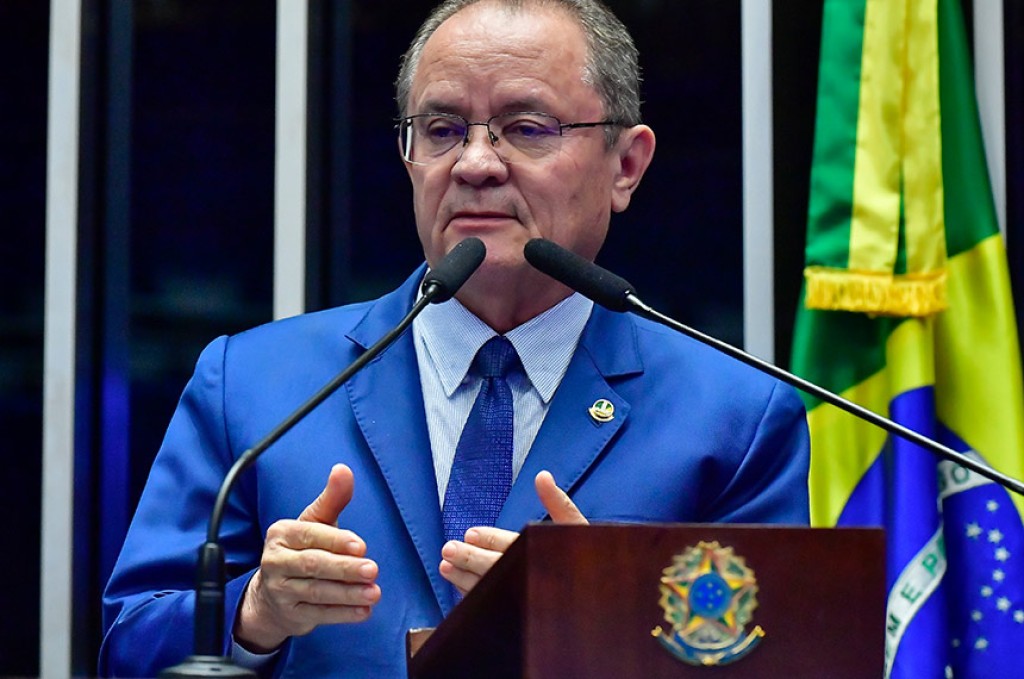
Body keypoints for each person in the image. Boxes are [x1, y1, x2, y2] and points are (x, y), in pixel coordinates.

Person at [100, 0, 810, 676]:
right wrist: (254, 613)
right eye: (441, 130)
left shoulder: (734, 420)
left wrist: (607, 628)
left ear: (625, 165)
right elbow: (129, 647)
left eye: (526, 127)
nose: (474, 164)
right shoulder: (254, 385)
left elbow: (781, 663)